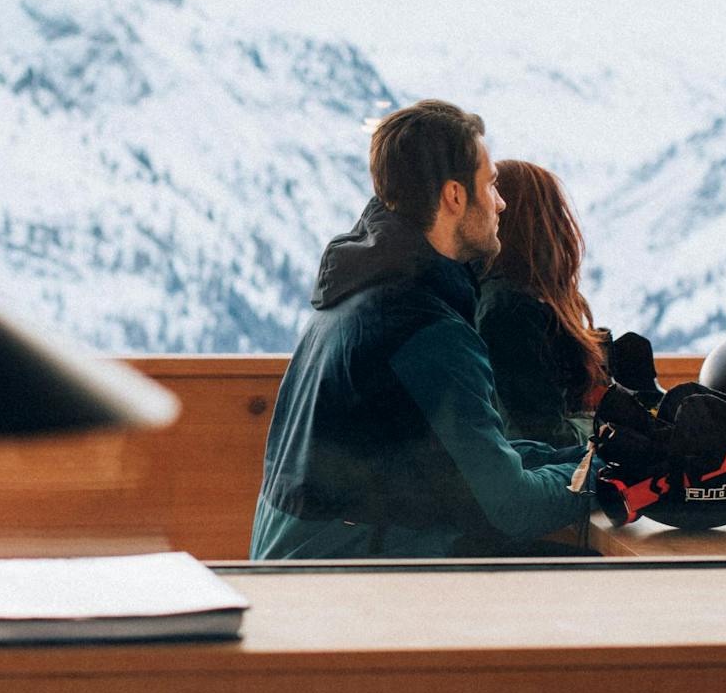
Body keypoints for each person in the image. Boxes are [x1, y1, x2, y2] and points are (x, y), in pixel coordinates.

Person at [251, 101, 596, 560]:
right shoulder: (422, 327)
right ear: (455, 196)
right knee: (594, 577)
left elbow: (476, 461)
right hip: (338, 583)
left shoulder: (362, 292)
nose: (501, 202)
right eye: (491, 184)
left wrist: (584, 458)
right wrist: (608, 475)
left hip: (302, 562)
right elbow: (512, 507)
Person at [475, 160, 608, 447]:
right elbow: (542, 435)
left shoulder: (509, 300)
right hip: (545, 478)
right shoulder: (510, 312)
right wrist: (609, 427)